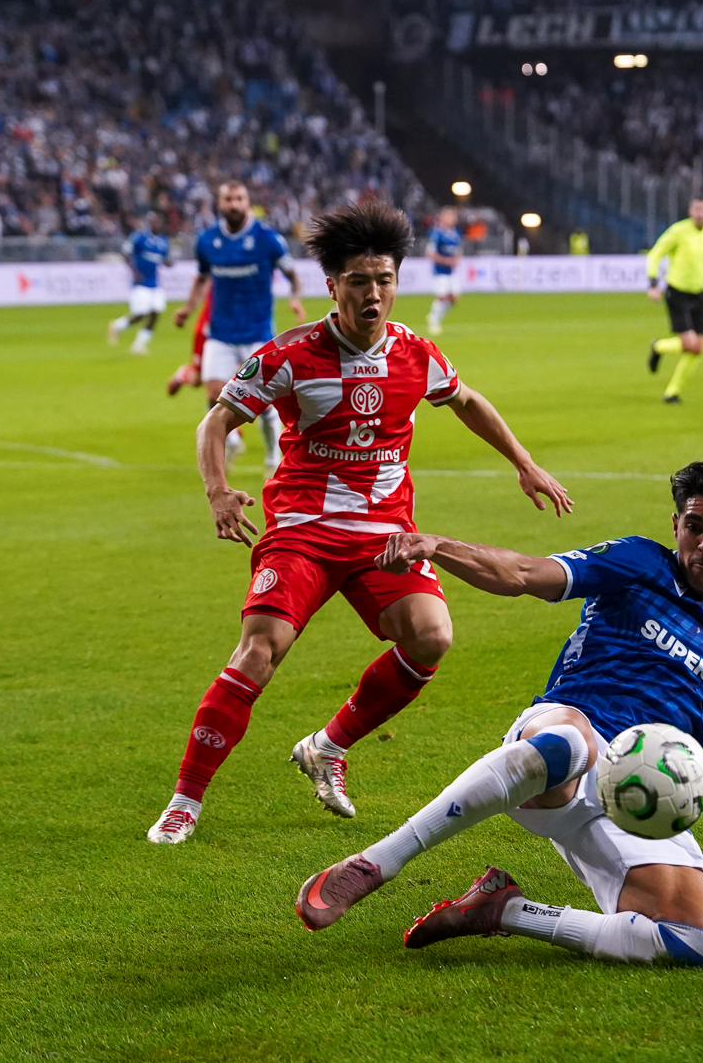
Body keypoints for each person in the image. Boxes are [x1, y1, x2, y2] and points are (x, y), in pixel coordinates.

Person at [295, 459, 703, 967]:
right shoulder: (639, 562)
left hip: (639, 796)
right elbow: (521, 575)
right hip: (563, 738)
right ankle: (373, 865)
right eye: (693, 527)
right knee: (567, 747)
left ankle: (505, 910)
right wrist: (437, 545)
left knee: (698, 944)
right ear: (675, 524)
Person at [147, 200, 573, 845]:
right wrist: (218, 492)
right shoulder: (289, 356)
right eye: (358, 282)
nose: (374, 294)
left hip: (385, 535)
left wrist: (524, 461)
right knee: (260, 651)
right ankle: (185, 800)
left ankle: (327, 746)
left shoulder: (416, 352)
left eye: (384, 280)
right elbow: (215, 420)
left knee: (431, 637)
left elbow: (466, 399)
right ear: (332, 286)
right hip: (302, 528)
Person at [173, 182, 308, 477]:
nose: (233, 204)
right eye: (227, 199)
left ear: (248, 202)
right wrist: (187, 308)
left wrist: (295, 299)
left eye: (238, 199)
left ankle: (273, 457)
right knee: (213, 391)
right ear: (219, 203)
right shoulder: (207, 241)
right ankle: (233, 440)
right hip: (220, 331)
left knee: (265, 400)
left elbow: (292, 275)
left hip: (257, 331)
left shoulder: (268, 239)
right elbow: (202, 279)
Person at [645, 199, 703, 405]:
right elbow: (656, 253)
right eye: (697, 209)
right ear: (690, 211)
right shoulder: (678, 231)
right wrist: (652, 283)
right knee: (690, 344)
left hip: (699, 294)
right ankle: (658, 347)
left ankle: (672, 391)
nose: (700, 213)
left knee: (698, 348)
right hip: (677, 293)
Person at [109, 211, 173, 353]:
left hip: (154, 283)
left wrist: (169, 263)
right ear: (148, 223)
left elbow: (164, 258)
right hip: (141, 283)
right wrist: (135, 272)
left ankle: (138, 345)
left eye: (157, 222)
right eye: (152, 222)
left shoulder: (163, 241)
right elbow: (126, 254)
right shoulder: (139, 238)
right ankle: (117, 325)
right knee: (140, 314)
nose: (155, 224)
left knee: (156, 313)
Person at [424, 206, 463, 336]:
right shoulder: (436, 233)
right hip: (439, 271)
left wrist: (457, 258)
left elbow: (457, 249)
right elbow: (430, 253)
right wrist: (445, 261)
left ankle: (435, 317)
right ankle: (433, 321)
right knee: (441, 297)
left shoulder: (455, 233)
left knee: (454, 298)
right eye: (449, 216)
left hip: (451, 271)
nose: (452, 219)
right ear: (442, 218)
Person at [165, 291, 212, 397]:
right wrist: (187, 310)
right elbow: (202, 281)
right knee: (198, 379)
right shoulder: (222, 278)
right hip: (207, 331)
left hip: (241, 332)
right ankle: (184, 374)